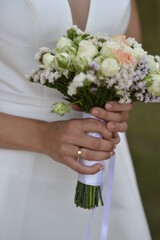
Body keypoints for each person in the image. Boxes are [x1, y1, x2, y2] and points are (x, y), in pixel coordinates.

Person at [0, 0, 151, 239]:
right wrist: (42, 136)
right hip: (11, 166)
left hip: (100, 156)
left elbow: (131, 45)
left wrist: (116, 103)